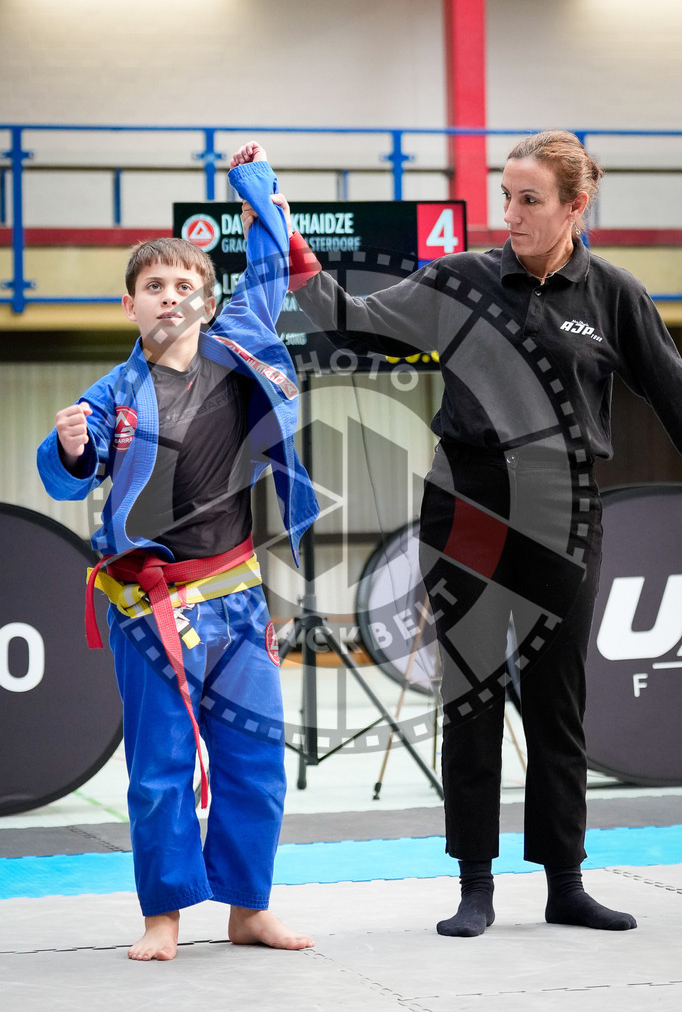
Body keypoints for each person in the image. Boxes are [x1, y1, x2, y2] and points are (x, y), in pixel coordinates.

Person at [245, 130, 682, 936]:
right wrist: (291, 241)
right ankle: (473, 885)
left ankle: (566, 882)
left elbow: (674, 395)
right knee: (470, 688)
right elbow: (356, 319)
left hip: (565, 504)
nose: (508, 213)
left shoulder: (614, 294)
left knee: (558, 698)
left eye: (529, 200)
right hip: (468, 498)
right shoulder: (463, 278)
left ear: (576, 206)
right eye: (505, 195)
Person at [37, 142, 319, 961]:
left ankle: (248, 906)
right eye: (154, 287)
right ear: (130, 306)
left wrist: (254, 184)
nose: (170, 296)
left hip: (234, 596)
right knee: (159, 770)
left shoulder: (240, 349)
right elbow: (65, 476)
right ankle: (164, 915)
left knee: (256, 760)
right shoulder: (111, 392)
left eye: (184, 285)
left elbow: (270, 263)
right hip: (148, 608)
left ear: (208, 298)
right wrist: (70, 446)